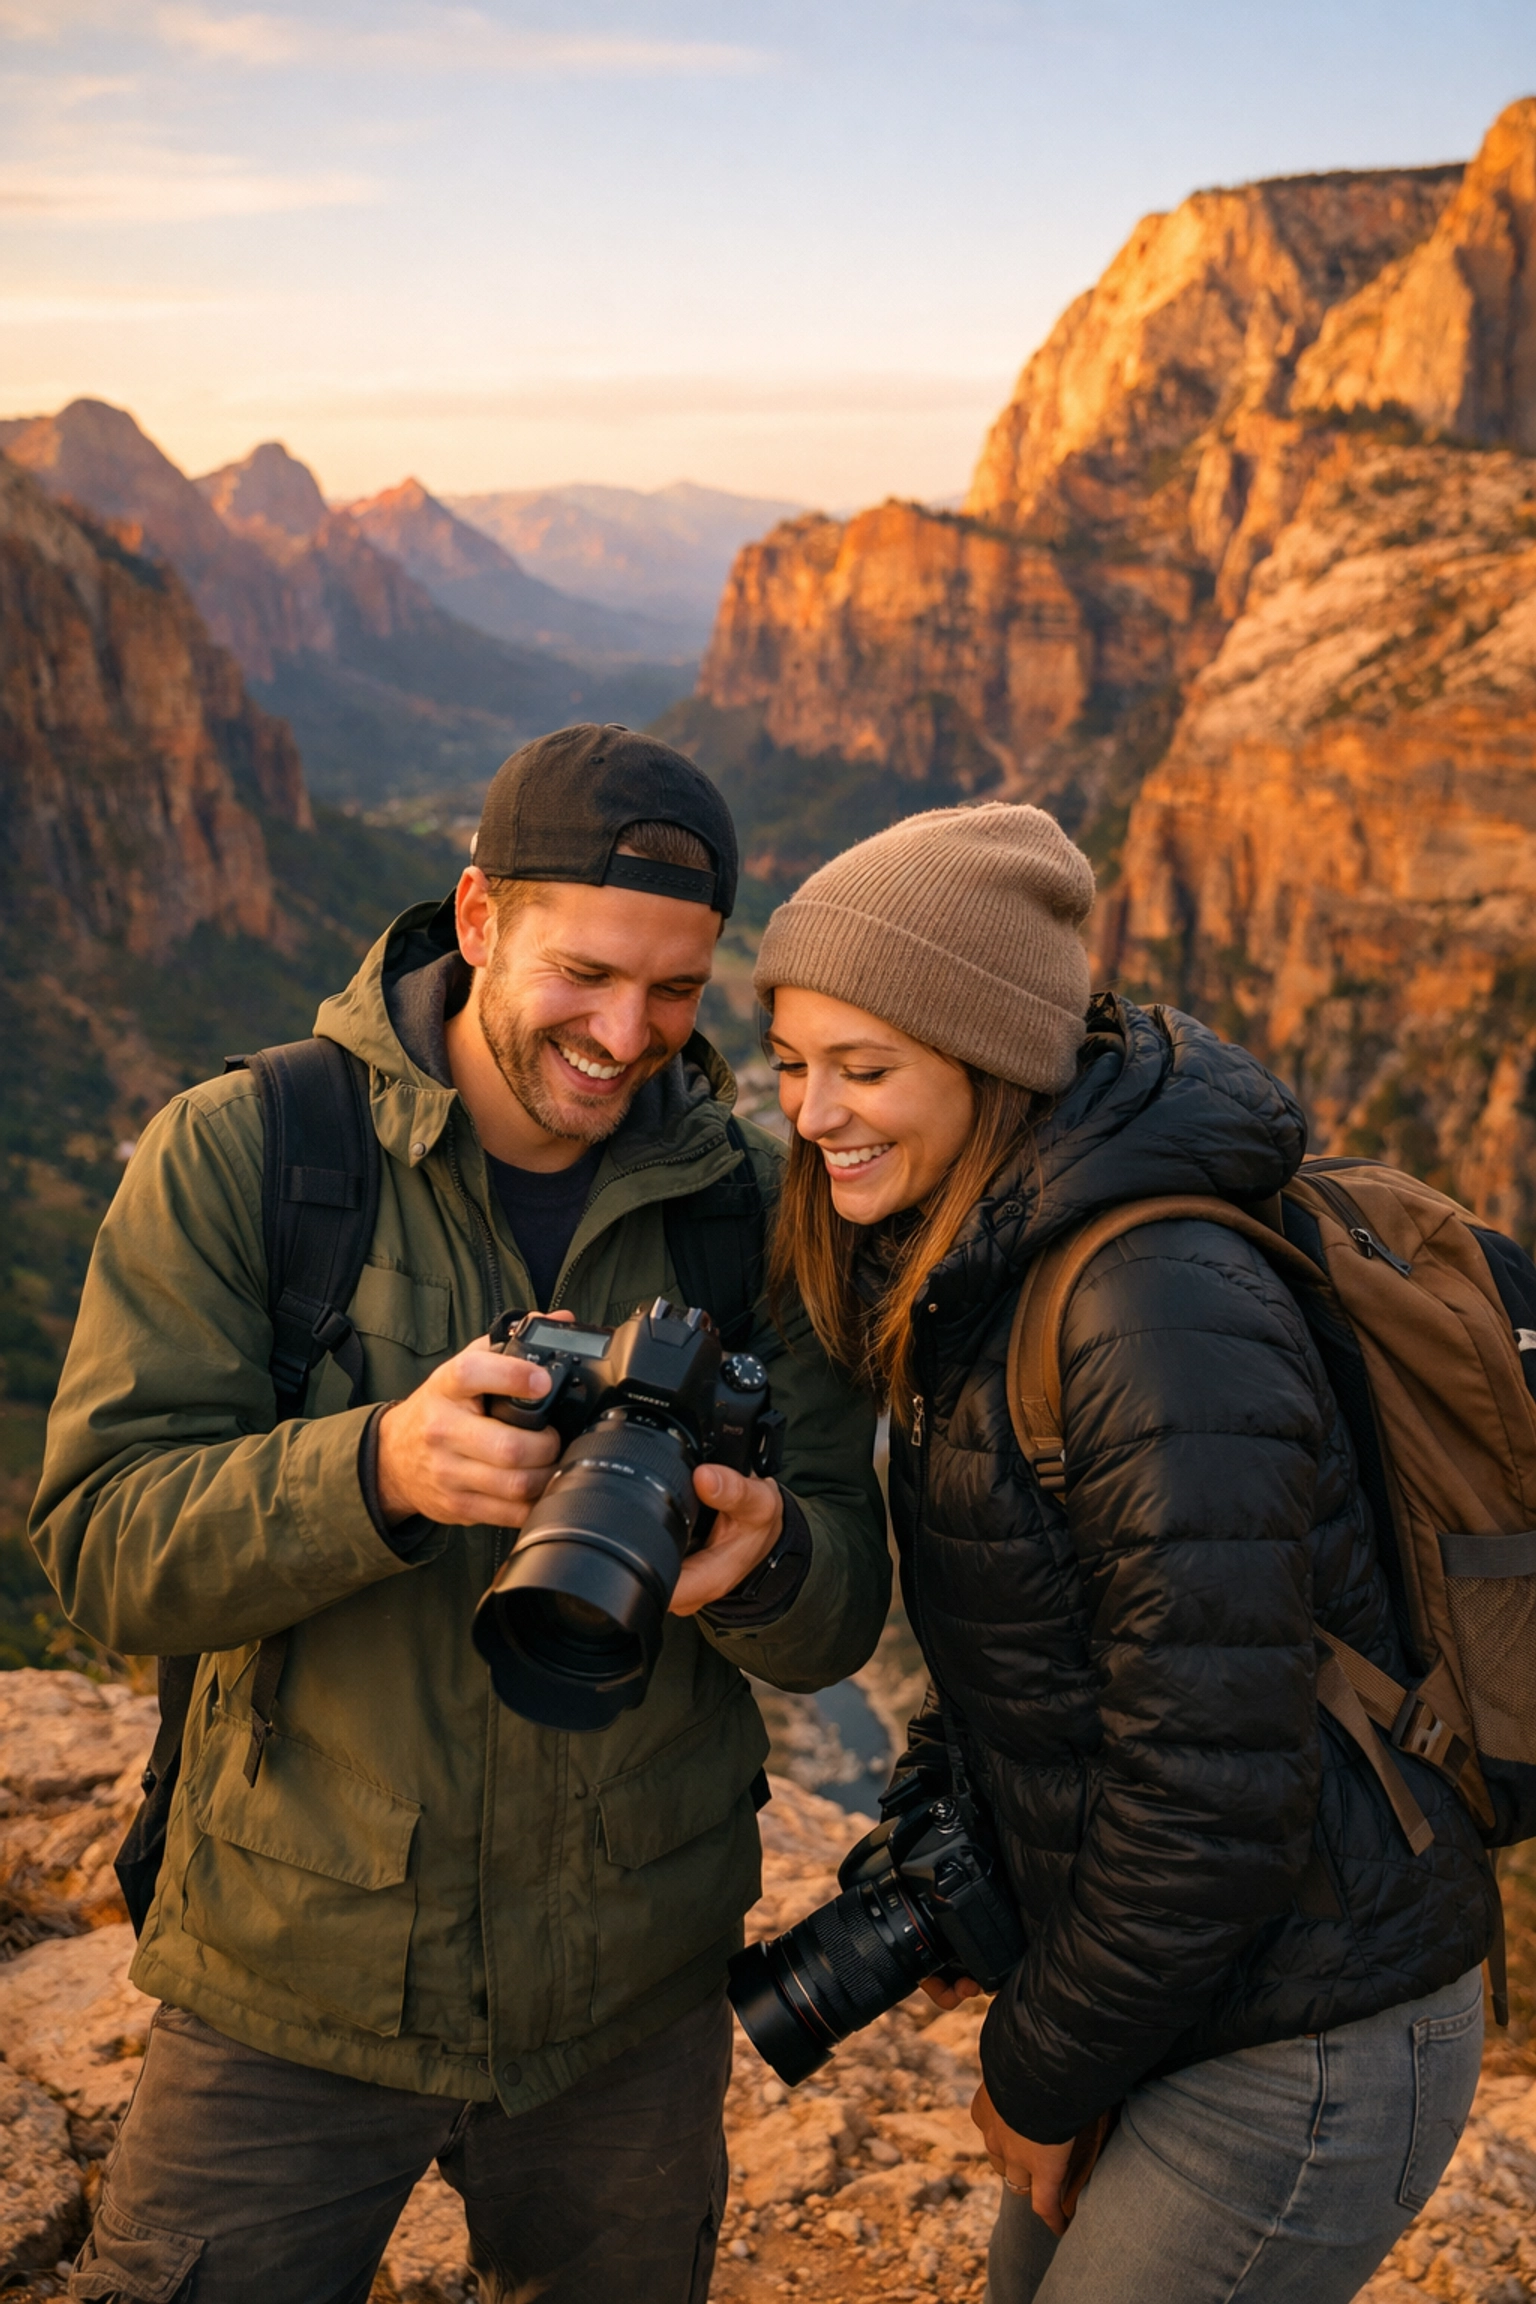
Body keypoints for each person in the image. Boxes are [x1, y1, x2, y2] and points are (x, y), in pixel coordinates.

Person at [31, 723, 889, 2304]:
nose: (627, 1035)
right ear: (479, 918)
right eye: (586, 973)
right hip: (294, 1975)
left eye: (679, 991)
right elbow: (101, 1548)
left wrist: (766, 1566)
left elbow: (845, 1603)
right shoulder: (255, 1153)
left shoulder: (753, 1219)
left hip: (628, 2002)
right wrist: (374, 1472)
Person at [751, 799, 1495, 2304]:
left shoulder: (1146, 1304)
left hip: (1309, 2035)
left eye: (864, 1069)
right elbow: (1039, 1653)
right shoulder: (982, 1258)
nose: (813, 1113)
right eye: (791, 1068)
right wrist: (957, 1849)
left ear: (990, 1060)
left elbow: (1216, 1789)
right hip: (1172, 1993)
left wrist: (1035, 2065)